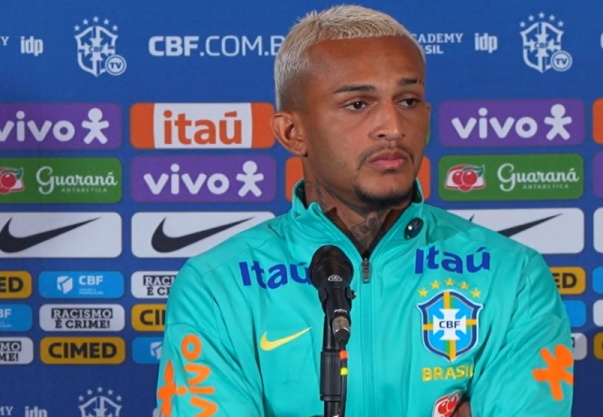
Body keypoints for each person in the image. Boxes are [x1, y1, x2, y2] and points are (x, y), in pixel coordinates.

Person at [155, 4, 573, 416]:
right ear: (293, 132)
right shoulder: (217, 287)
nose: (393, 127)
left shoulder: (512, 276)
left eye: (408, 100)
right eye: (358, 104)